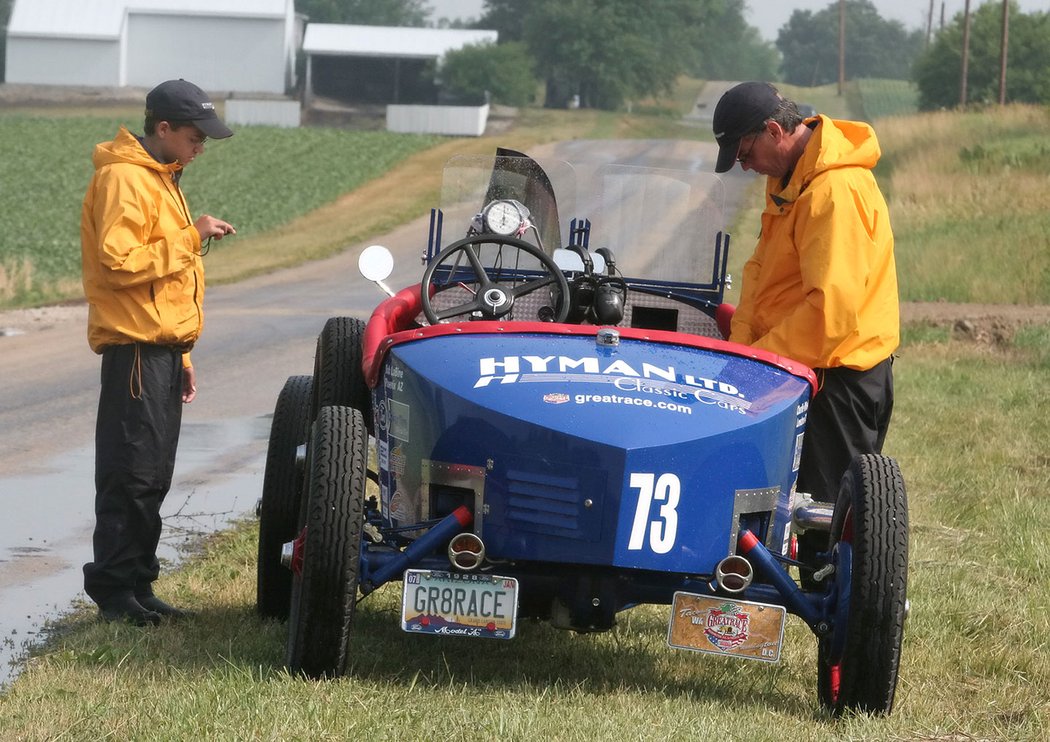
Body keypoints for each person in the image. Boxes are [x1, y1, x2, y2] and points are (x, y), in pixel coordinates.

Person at [711, 82, 899, 568]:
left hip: (836, 378)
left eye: (745, 152)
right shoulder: (792, 180)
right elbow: (766, 280)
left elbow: (830, 312)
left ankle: (840, 625)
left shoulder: (832, 191)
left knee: (827, 526)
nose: (744, 165)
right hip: (797, 365)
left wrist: (758, 362)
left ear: (774, 130)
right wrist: (739, 349)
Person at [81, 79, 236, 625]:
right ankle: (115, 591)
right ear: (163, 129)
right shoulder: (125, 178)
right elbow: (119, 263)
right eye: (195, 137)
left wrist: (184, 356)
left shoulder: (163, 177)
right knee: (131, 474)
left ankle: (138, 586)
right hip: (136, 353)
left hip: (161, 352)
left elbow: (163, 284)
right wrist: (192, 236)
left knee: (153, 474)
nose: (201, 147)